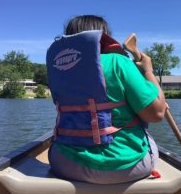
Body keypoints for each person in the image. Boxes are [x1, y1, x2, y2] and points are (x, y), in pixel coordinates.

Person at [47, 15, 166, 184]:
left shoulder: (58, 68)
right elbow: (157, 113)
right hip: (124, 167)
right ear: (103, 37)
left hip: (66, 164)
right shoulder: (118, 62)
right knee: (146, 133)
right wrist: (148, 71)